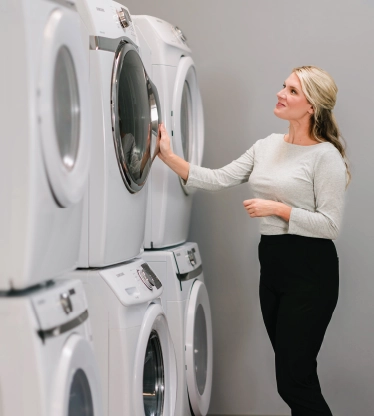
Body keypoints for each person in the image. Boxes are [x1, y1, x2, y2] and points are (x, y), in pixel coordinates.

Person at [157, 65, 351, 416]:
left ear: (312, 107)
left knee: (292, 380)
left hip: (310, 274)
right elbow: (218, 179)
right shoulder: (267, 146)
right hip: (273, 267)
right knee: (297, 375)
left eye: (293, 91)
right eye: (284, 86)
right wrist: (169, 157)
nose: (281, 93)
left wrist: (279, 209)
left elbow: (330, 225)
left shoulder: (326, 157)